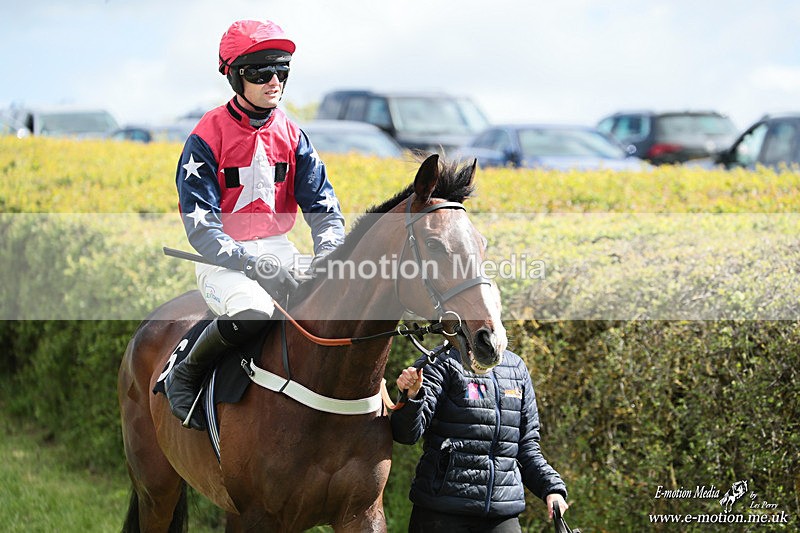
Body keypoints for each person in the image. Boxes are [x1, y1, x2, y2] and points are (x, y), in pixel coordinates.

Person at [166, 19, 345, 429]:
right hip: (223, 261)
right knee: (254, 312)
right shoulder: (205, 137)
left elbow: (324, 207)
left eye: (282, 70)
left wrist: (329, 254)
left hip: (281, 249)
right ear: (234, 76)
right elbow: (202, 227)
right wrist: (249, 262)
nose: (274, 81)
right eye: (261, 73)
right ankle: (186, 374)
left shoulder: (293, 134)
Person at [391, 346, 569, 532]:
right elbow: (406, 434)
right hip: (442, 510)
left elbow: (527, 448)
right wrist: (412, 396)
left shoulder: (516, 367)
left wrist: (551, 488)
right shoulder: (440, 361)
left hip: (502, 511)